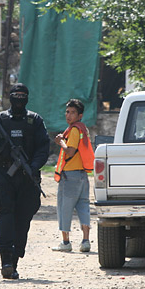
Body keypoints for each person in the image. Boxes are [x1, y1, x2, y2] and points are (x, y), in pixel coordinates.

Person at [0, 83, 50, 279]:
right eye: (16, 95)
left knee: (22, 220)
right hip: (5, 175)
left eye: (23, 95)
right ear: (10, 97)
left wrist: (33, 166)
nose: (19, 98)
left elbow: (43, 147)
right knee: (6, 216)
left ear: (27, 98)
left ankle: (14, 261)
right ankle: (5, 260)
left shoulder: (35, 120)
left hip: (27, 177)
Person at [52, 99, 94, 253]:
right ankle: (85, 241)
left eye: (73, 112)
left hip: (70, 176)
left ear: (80, 115)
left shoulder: (74, 130)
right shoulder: (83, 129)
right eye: (67, 112)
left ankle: (65, 242)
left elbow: (70, 151)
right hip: (82, 175)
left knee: (65, 207)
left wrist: (60, 142)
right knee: (83, 207)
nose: (68, 115)